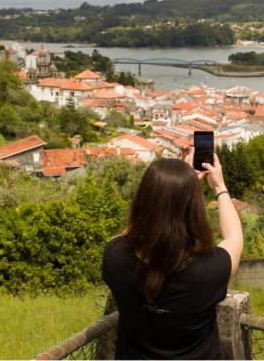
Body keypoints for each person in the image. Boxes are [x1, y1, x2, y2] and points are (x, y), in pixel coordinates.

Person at [102, 149, 243, 359]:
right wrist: (219, 186)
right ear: (194, 209)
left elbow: (129, 234)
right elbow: (234, 237)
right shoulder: (209, 270)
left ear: (142, 202)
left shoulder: (115, 258)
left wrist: (163, 190)